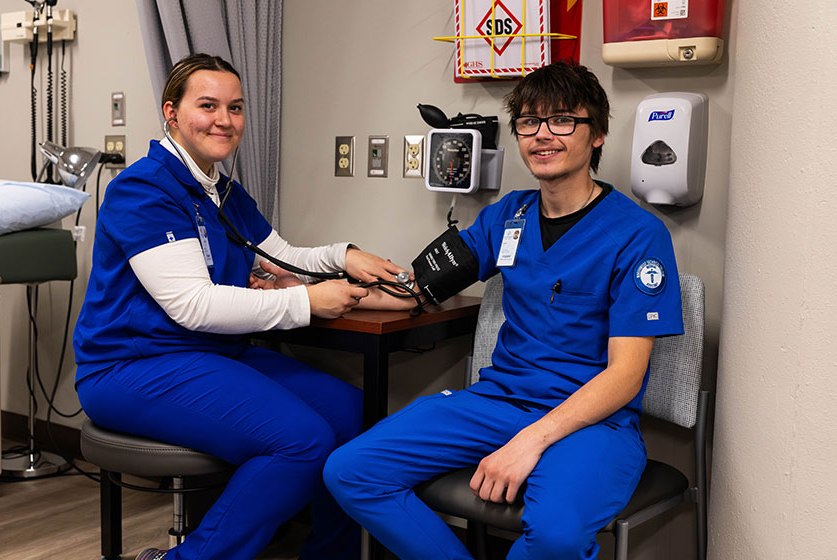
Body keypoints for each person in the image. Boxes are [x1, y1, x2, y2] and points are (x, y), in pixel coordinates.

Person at [323, 61, 684, 559]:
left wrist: (531, 441)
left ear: (597, 133)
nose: (543, 135)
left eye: (562, 120)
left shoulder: (638, 234)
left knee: (556, 536)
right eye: (528, 122)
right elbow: (416, 290)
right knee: (351, 471)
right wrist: (310, 287)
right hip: (497, 401)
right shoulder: (506, 215)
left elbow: (626, 376)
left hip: (590, 423)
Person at [73, 53, 408, 560]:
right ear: (171, 112)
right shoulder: (141, 190)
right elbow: (193, 305)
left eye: (235, 107)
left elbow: (281, 255)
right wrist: (307, 301)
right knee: (303, 442)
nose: (224, 120)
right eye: (207, 105)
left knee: (352, 415)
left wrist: (345, 255)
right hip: (131, 366)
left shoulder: (220, 189)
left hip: (210, 354)